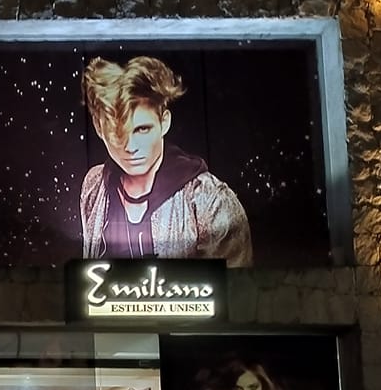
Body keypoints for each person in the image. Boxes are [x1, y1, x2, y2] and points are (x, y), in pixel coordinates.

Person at [78, 55, 253, 267]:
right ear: (98, 128)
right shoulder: (94, 186)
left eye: (142, 129)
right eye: (117, 132)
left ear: (164, 122)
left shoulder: (209, 201)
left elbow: (234, 289)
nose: (130, 147)